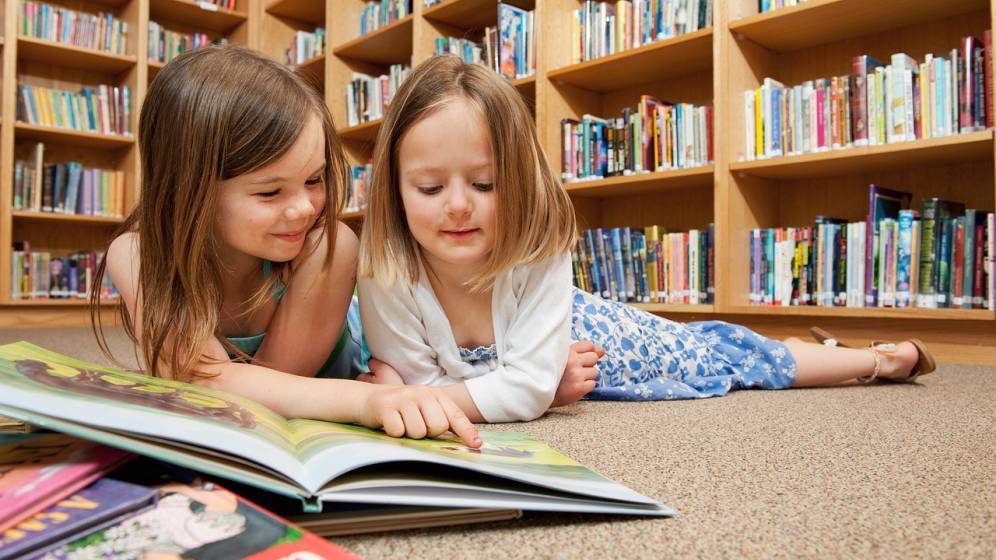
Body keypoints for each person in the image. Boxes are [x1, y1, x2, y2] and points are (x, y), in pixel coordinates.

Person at [356, 55, 937, 424]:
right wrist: (514, 388)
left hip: (596, 335)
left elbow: (440, 395)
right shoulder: (384, 267)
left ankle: (877, 361)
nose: (458, 205)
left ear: (520, 181)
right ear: (394, 190)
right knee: (728, 350)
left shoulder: (538, 247)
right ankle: (831, 350)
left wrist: (519, 390)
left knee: (729, 354)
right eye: (430, 187)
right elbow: (439, 392)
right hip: (556, 359)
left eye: (484, 183)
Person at [90, 45, 480, 446]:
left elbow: (269, 389)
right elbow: (207, 384)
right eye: (271, 191)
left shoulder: (328, 247)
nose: (303, 209)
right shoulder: (137, 255)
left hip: (381, 360)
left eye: (314, 180)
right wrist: (368, 400)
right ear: (187, 189)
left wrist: (375, 395)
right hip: (363, 392)